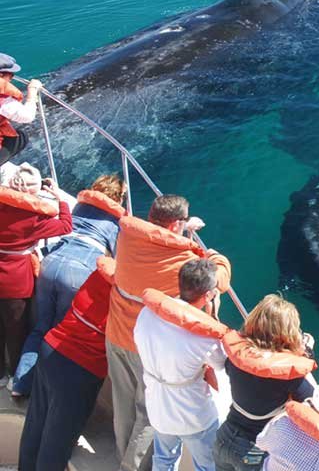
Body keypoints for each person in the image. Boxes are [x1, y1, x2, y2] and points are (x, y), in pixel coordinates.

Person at [106, 194, 231, 471]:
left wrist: (185, 232)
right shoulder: (182, 259)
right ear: (176, 223)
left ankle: (120, 453)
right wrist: (215, 255)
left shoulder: (127, 236)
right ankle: (132, 468)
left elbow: (157, 243)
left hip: (116, 331)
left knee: (123, 401)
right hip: (142, 346)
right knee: (148, 417)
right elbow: (213, 278)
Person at [12, 173, 126, 396]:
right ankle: (46, 392)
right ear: (119, 197)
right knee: (62, 335)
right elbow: (116, 257)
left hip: (52, 263)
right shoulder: (117, 221)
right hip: (79, 272)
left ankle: (20, 385)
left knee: (41, 328)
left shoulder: (80, 206)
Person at [18, 257, 116, 471]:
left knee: (35, 428)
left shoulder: (99, 275)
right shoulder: (128, 296)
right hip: (80, 370)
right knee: (55, 445)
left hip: (51, 350)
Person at [135, 259, 229, 471]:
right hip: (193, 417)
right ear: (208, 296)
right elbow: (221, 364)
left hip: (158, 409)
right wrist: (212, 317)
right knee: (207, 466)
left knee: (163, 461)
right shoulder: (204, 337)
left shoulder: (147, 313)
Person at [214, 294, 318, 471]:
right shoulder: (288, 375)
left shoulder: (236, 358)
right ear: (288, 333)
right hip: (252, 449)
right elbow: (311, 401)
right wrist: (306, 353)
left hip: (224, 437)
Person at [0, 163, 72, 386]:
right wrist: (59, 197)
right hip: (16, 280)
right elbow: (66, 226)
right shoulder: (35, 219)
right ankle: (14, 376)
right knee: (15, 331)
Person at [0, 53, 43, 166]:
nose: (12, 78)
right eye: (10, 75)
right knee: (20, 138)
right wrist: (32, 92)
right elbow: (27, 116)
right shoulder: (2, 99)